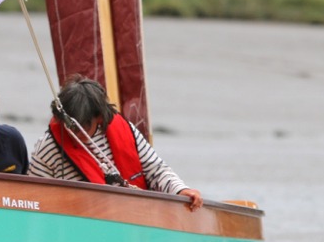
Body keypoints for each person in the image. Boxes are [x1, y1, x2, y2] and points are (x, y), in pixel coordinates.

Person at [28, 76, 203, 210]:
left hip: (134, 218)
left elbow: (156, 171)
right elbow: (35, 201)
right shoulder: (47, 148)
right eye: (69, 127)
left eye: (80, 129)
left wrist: (180, 190)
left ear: (98, 118)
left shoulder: (124, 130)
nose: (73, 133)